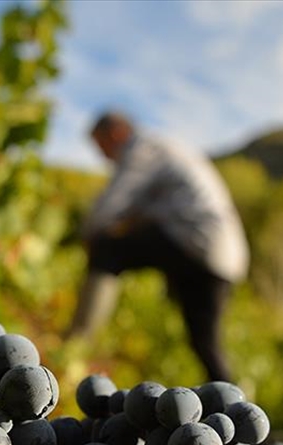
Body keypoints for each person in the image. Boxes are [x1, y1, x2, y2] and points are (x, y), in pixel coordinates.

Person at [65, 110, 249, 383]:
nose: (102, 157)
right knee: (205, 343)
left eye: (101, 146)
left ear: (116, 133)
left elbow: (113, 204)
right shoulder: (166, 150)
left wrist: (86, 236)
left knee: (107, 250)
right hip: (224, 255)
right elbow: (139, 211)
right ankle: (234, 412)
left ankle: (73, 347)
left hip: (197, 242)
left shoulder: (143, 149)